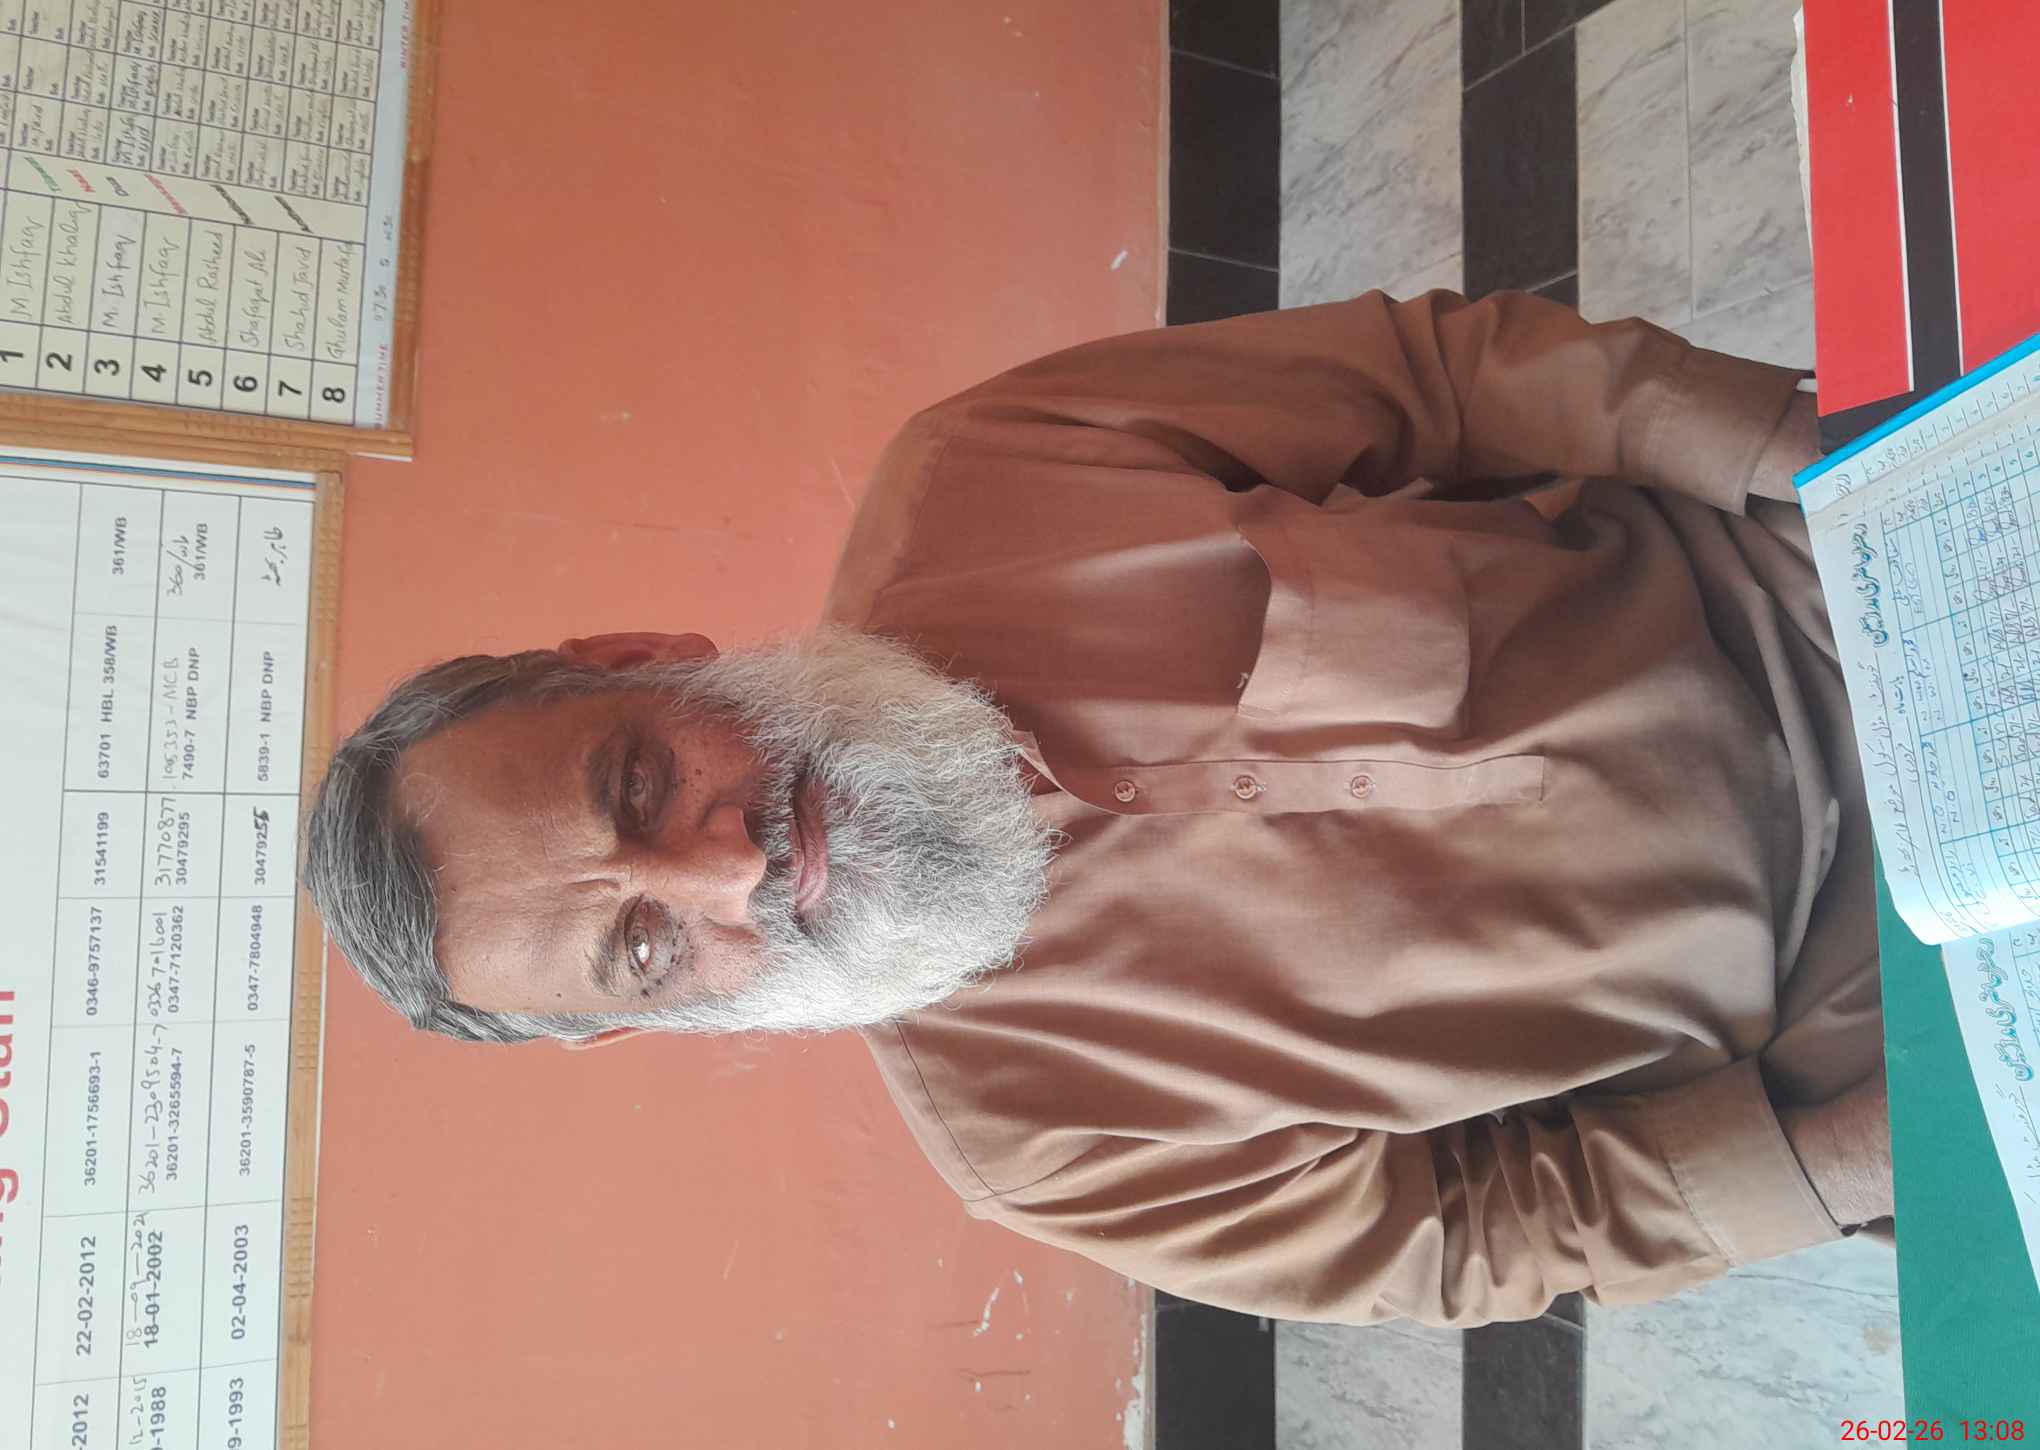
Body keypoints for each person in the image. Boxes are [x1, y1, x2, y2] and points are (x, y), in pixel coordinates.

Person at [303, 290, 1893, 1328]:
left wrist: (1828, 459)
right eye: (647, 947)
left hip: (1815, 569)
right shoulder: (1041, 1145)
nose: (727, 868)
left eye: (639, 784)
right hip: (1868, 1008)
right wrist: (1858, 1156)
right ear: (649, 1023)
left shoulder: (981, 470)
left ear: (636, 656)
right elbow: (1479, 1231)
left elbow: (1443, 380)